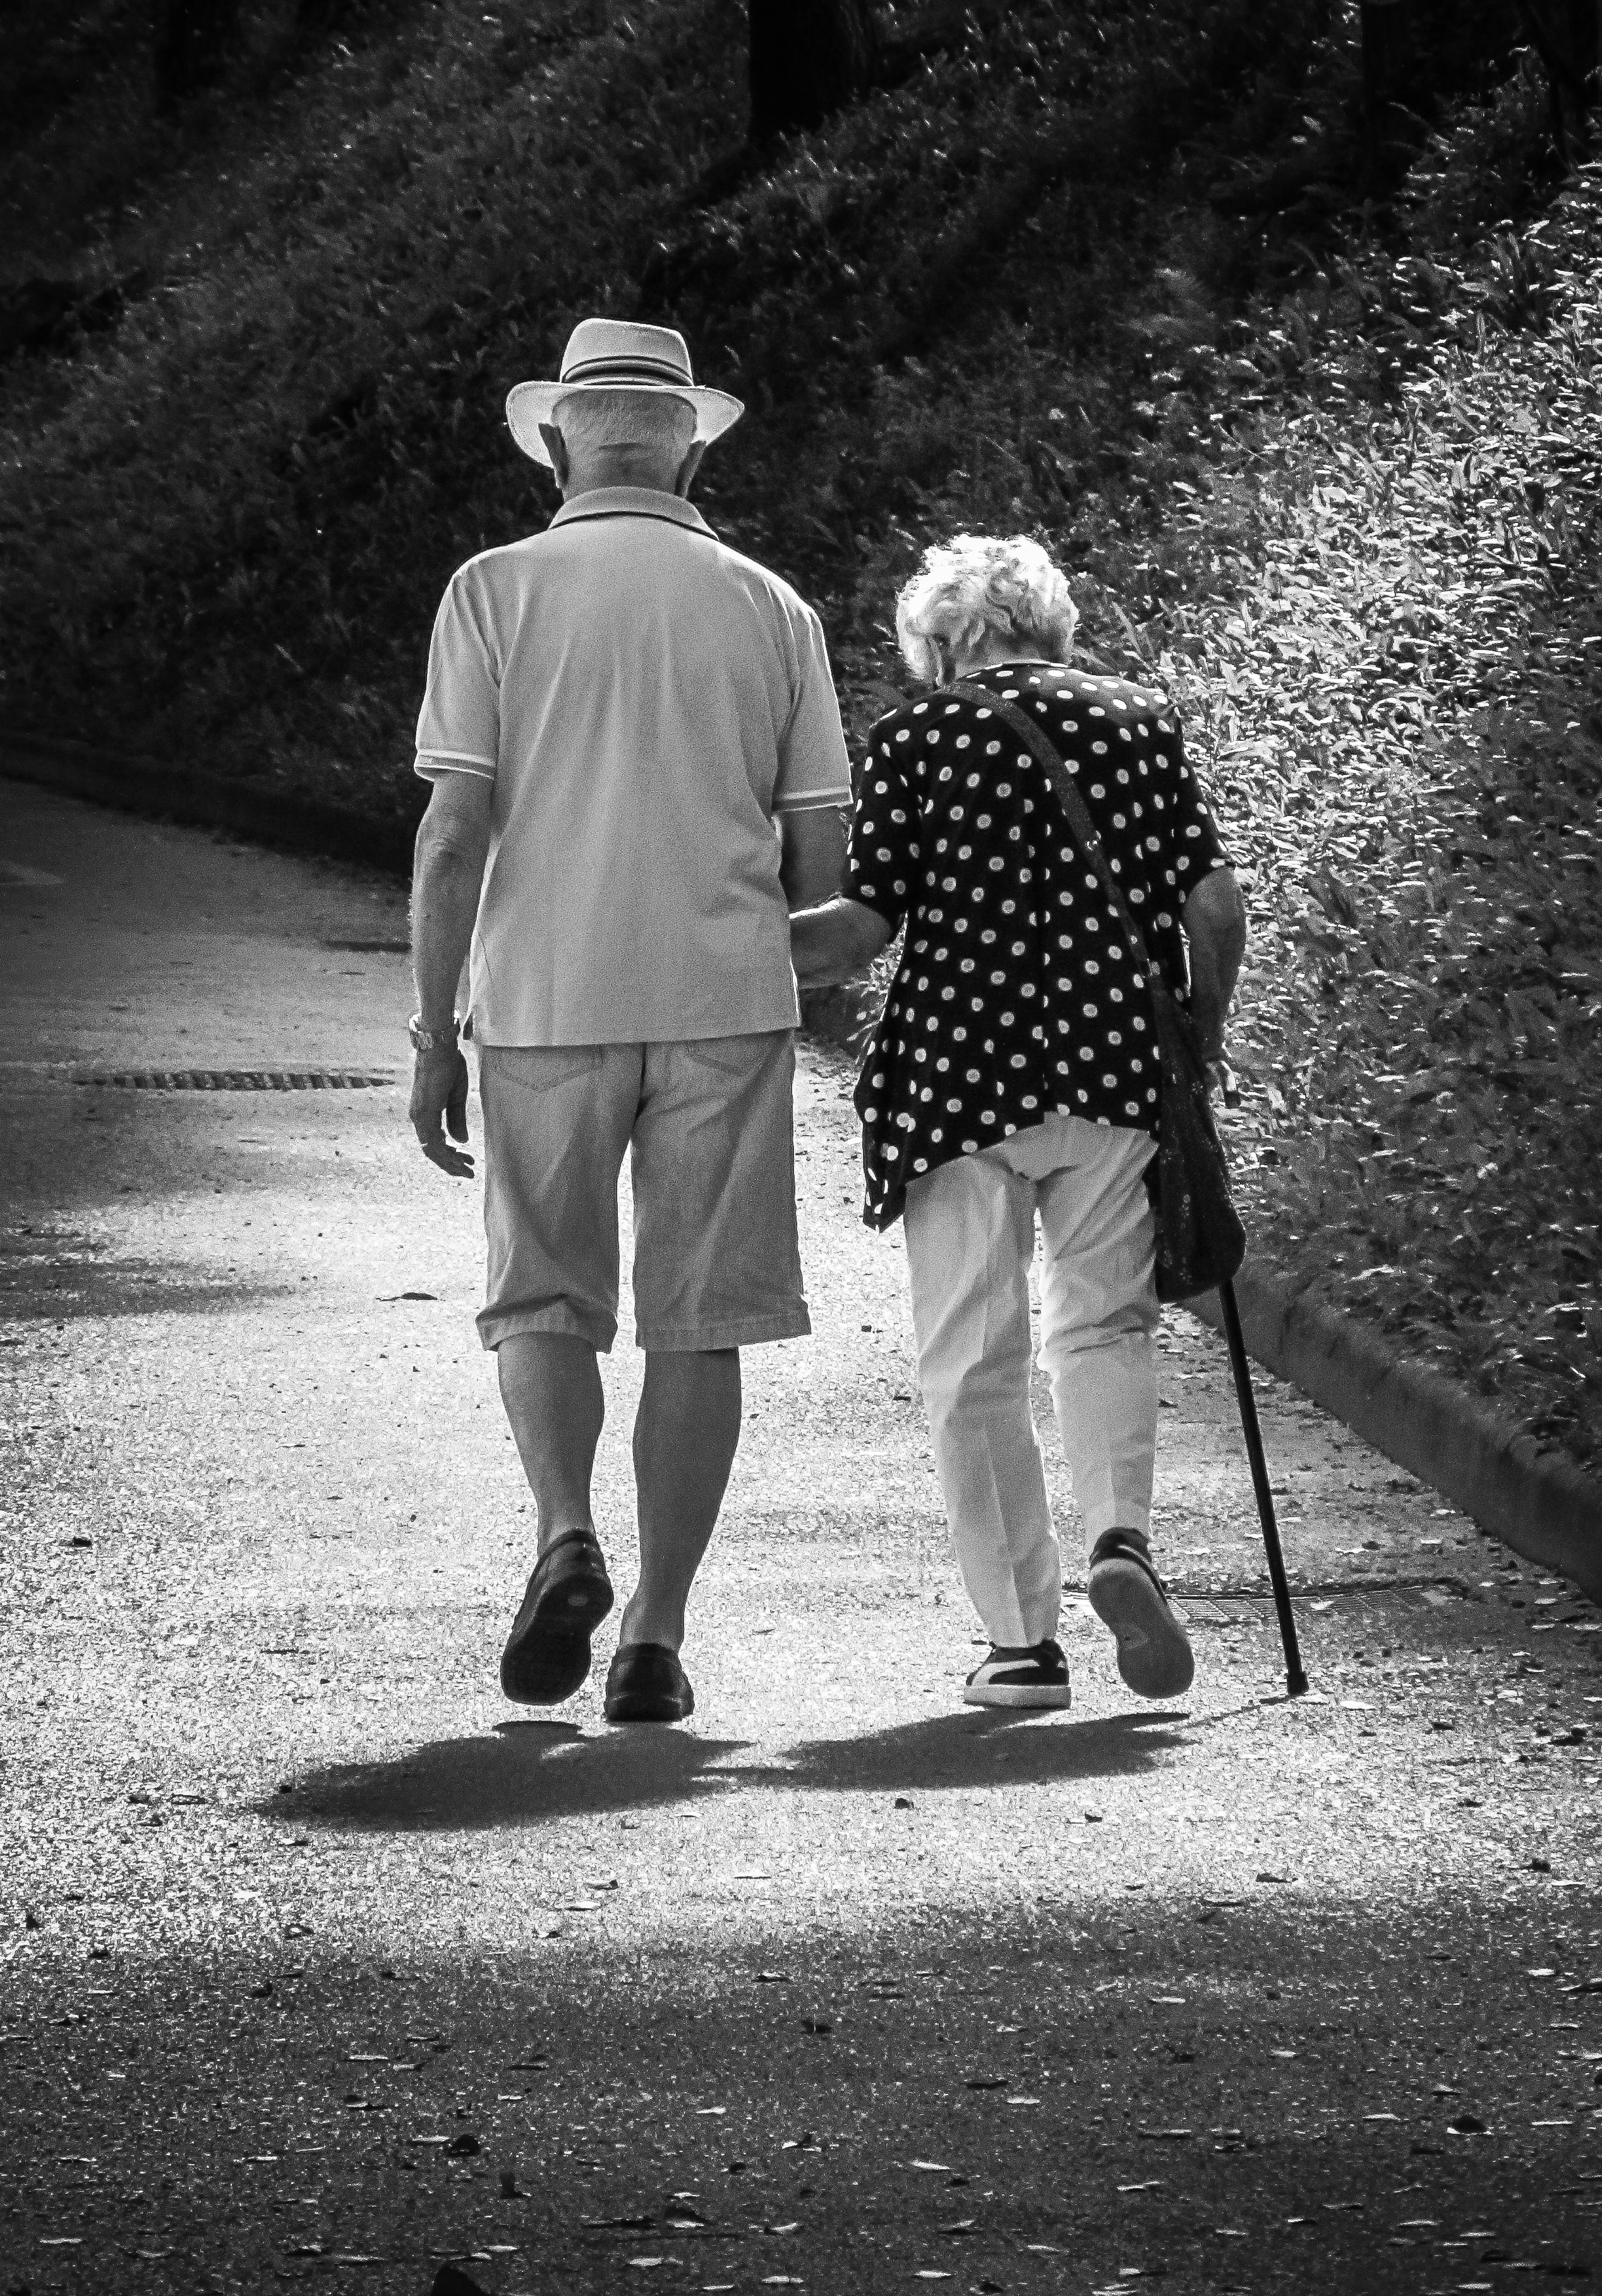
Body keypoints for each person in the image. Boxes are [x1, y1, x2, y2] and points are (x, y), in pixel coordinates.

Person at [407, 318, 852, 1722]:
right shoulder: (773, 608)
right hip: (724, 1001)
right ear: (691, 444)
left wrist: (434, 1031)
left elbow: (453, 828)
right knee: (696, 1319)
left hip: (542, 999)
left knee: (541, 1293)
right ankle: (655, 1635)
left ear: (556, 439)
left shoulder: (493, 590)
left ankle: (562, 1533)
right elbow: (824, 858)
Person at [790, 534, 1244, 1712]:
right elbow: (1213, 904)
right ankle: (1121, 1541)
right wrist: (1201, 1032)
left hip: (957, 1083)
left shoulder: (918, 737)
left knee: (971, 1360)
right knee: (1102, 1327)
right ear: (1050, 627)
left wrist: (718, 931)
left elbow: (858, 931)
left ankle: (1021, 1646)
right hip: (1112, 1073)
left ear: (942, 641)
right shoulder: (1140, 720)